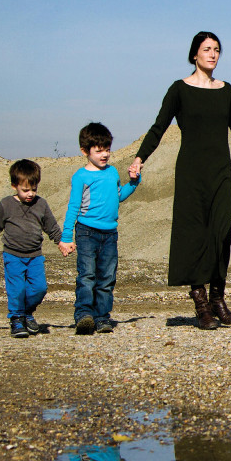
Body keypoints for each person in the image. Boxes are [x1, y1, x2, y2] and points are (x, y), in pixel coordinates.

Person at [129, 31, 231, 329]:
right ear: (194, 55)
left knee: (220, 232)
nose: (212, 54)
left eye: (216, 50)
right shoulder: (179, 90)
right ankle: (201, 304)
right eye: (206, 49)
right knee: (195, 235)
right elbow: (158, 127)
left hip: (220, 173)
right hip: (190, 173)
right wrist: (139, 158)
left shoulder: (226, 91)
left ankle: (218, 298)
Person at [59, 122, 140, 334]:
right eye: (99, 150)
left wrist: (133, 182)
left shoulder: (113, 172)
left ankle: (102, 317)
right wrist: (66, 237)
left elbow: (118, 196)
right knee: (87, 276)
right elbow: (73, 208)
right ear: (85, 151)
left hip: (110, 233)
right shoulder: (81, 177)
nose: (104, 154)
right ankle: (84, 315)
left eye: (107, 149)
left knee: (107, 277)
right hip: (86, 232)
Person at [0, 159, 62, 338]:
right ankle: (17, 318)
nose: (30, 194)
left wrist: (61, 242)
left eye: (34, 189)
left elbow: (51, 226)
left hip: (35, 256)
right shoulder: (6, 205)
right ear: (14, 186)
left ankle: (27, 312)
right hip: (13, 255)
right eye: (25, 190)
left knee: (39, 288)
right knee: (17, 289)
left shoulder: (41, 204)